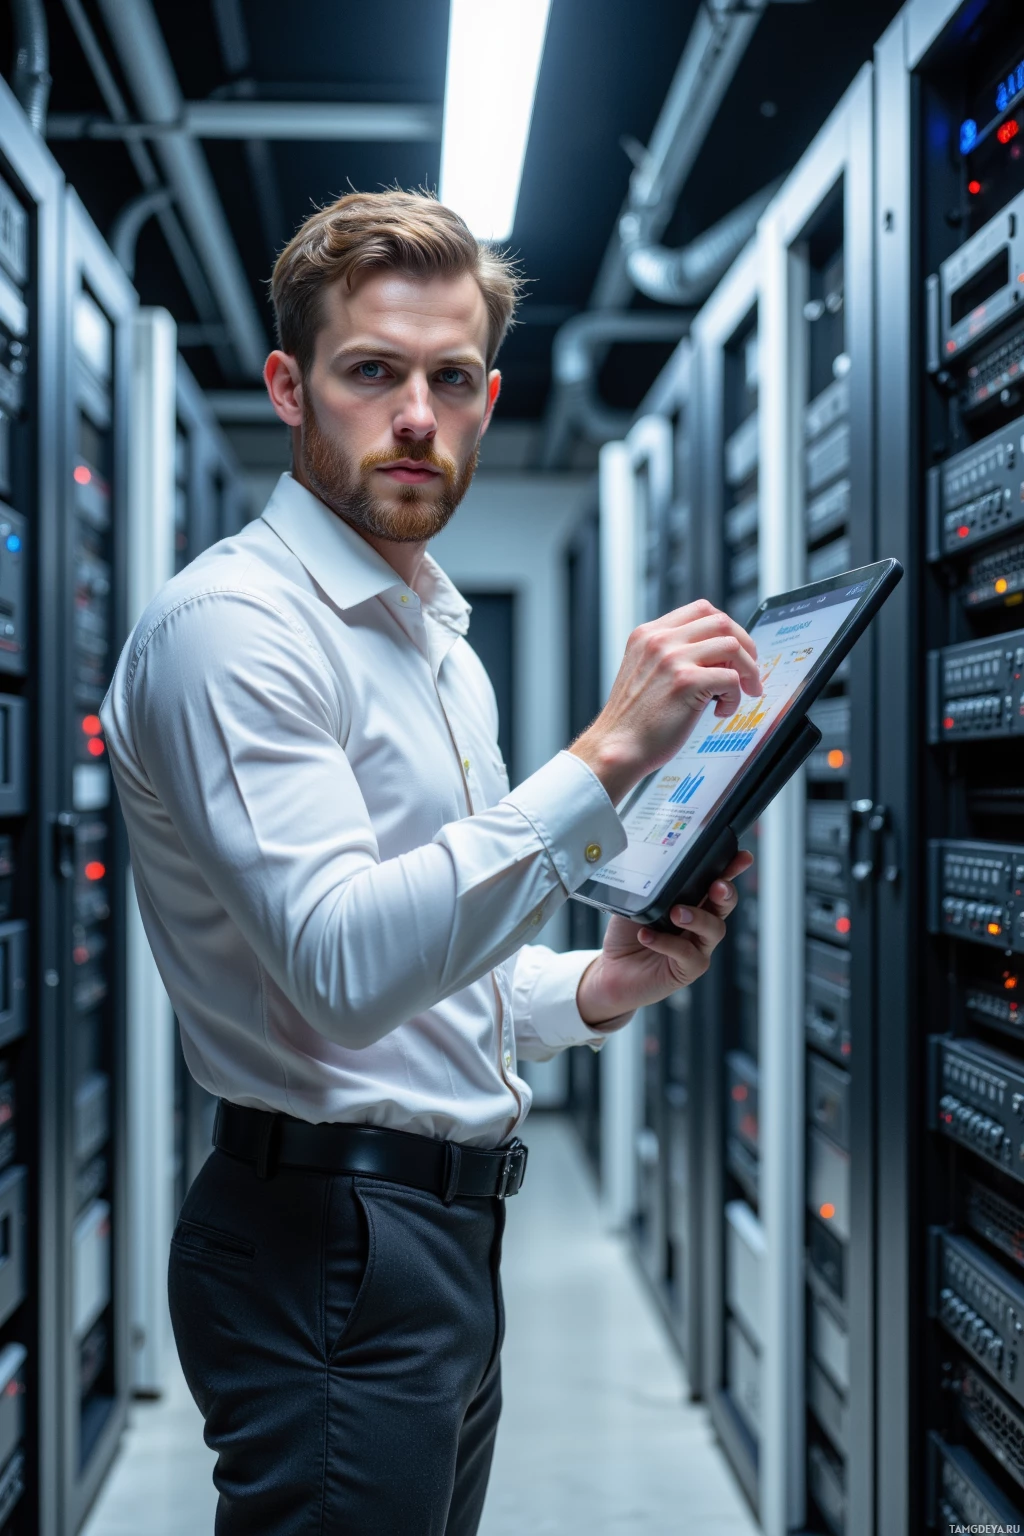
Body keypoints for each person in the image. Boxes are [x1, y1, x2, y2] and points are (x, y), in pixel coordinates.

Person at [100, 188, 761, 1536]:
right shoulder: (233, 631)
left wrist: (594, 989)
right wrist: (611, 754)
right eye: (372, 372)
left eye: (451, 378)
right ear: (291, 387)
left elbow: (428, 975)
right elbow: (342, 970)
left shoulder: (430, 644)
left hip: (439, 1238)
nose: (417, 414)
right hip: (324, 1247)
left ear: (488, 394)